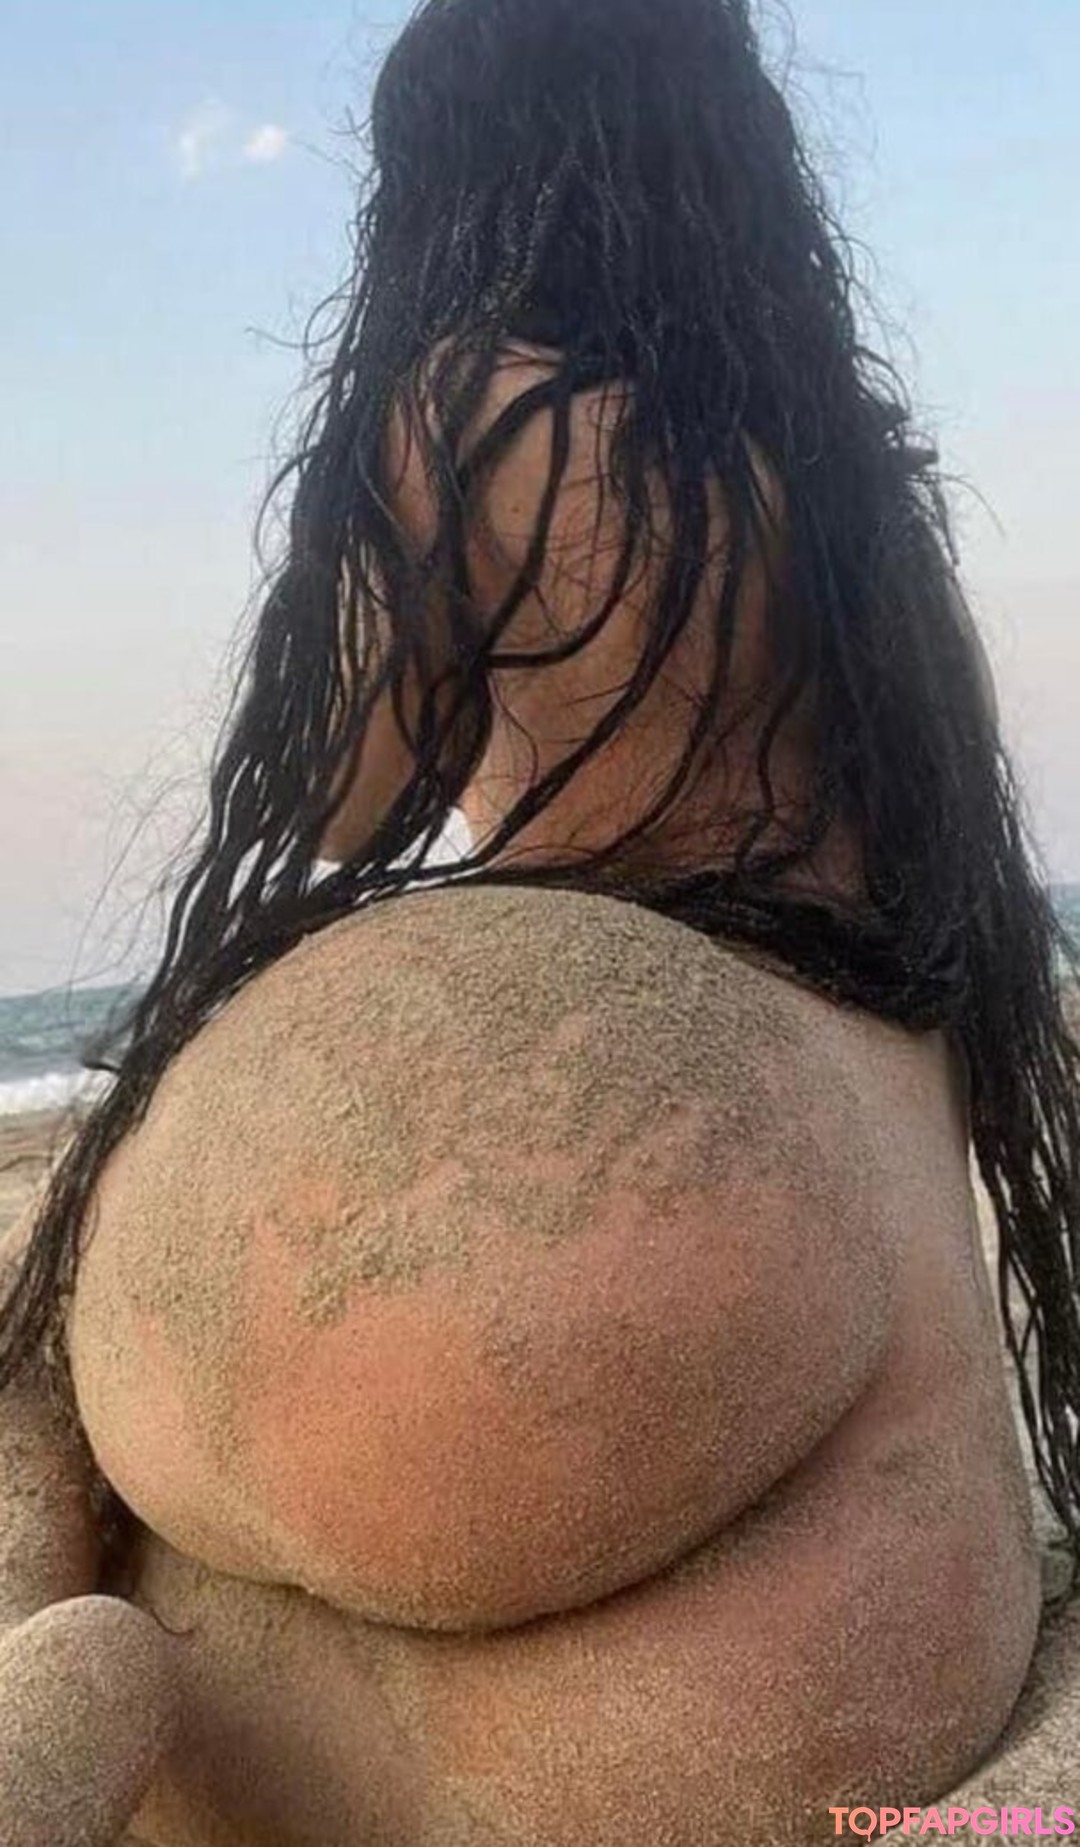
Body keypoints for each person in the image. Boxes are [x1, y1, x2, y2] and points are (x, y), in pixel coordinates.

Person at [2, 0, 1078, 1840]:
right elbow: (950, 903)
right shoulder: (868, 502)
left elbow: (346, 796)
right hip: (867, 1202)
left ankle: (44, 1644)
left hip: (607, 1087)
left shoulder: (465, 408)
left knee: (53, 1318)